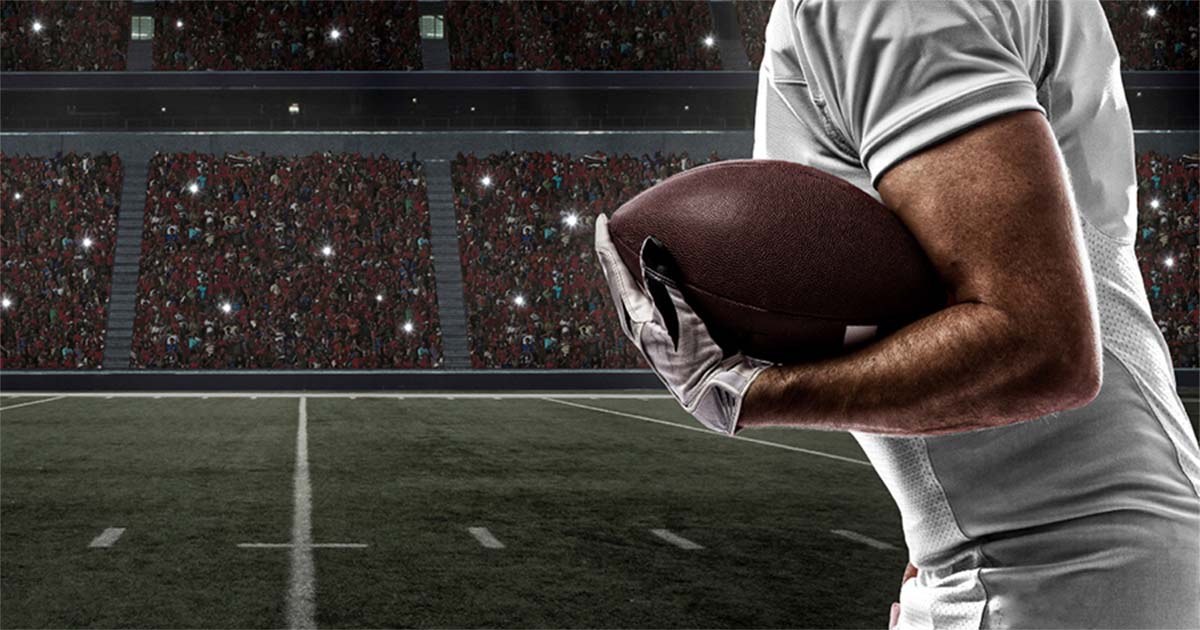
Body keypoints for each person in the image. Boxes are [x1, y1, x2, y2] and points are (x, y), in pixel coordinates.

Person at [594, 1, 1199, 627]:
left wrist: (752, 393)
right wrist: (938, 520)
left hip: (1059, 572)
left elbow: (1040, 346)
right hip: (1051, 561)